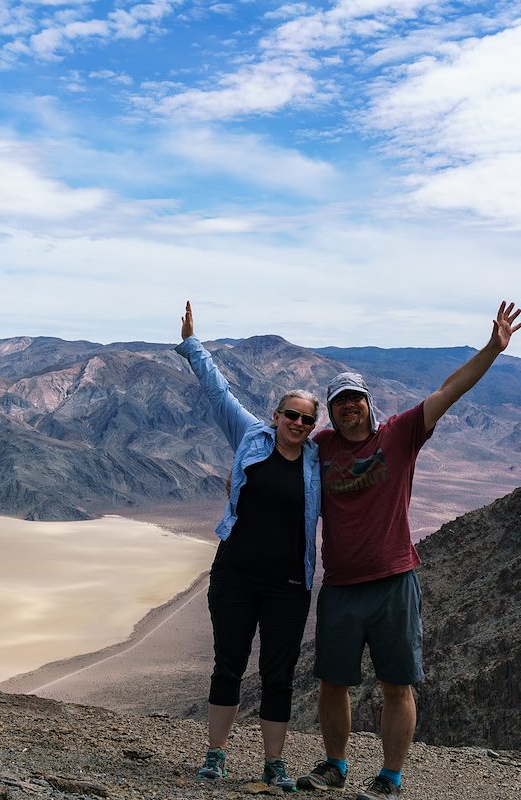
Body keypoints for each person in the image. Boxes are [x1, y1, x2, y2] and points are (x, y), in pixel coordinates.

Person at [297, 301, 521, 800]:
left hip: (394, 582)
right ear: (331, 412)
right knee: (332, 683)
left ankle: (391, 778)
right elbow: (278, 449)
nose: (349, 407)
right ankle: (336, 765)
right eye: (339, 403)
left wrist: (492, 349)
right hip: (339, 587)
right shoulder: (323, 448)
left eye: (355, 399)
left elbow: (450, 389)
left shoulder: (401, 434)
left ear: (368, 403)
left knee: (397, 684)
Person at [175, 301, 321, 793]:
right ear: (276, 415)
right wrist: (194, 346)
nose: (298, 424)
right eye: (292, 415)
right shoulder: (251, 438)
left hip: (289, 586)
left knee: (277, 674)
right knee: (228, 664)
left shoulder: (318, 466)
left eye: (307, 420)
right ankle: (215, 754)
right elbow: (218, 394)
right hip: (235, 575)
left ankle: (273, 763)